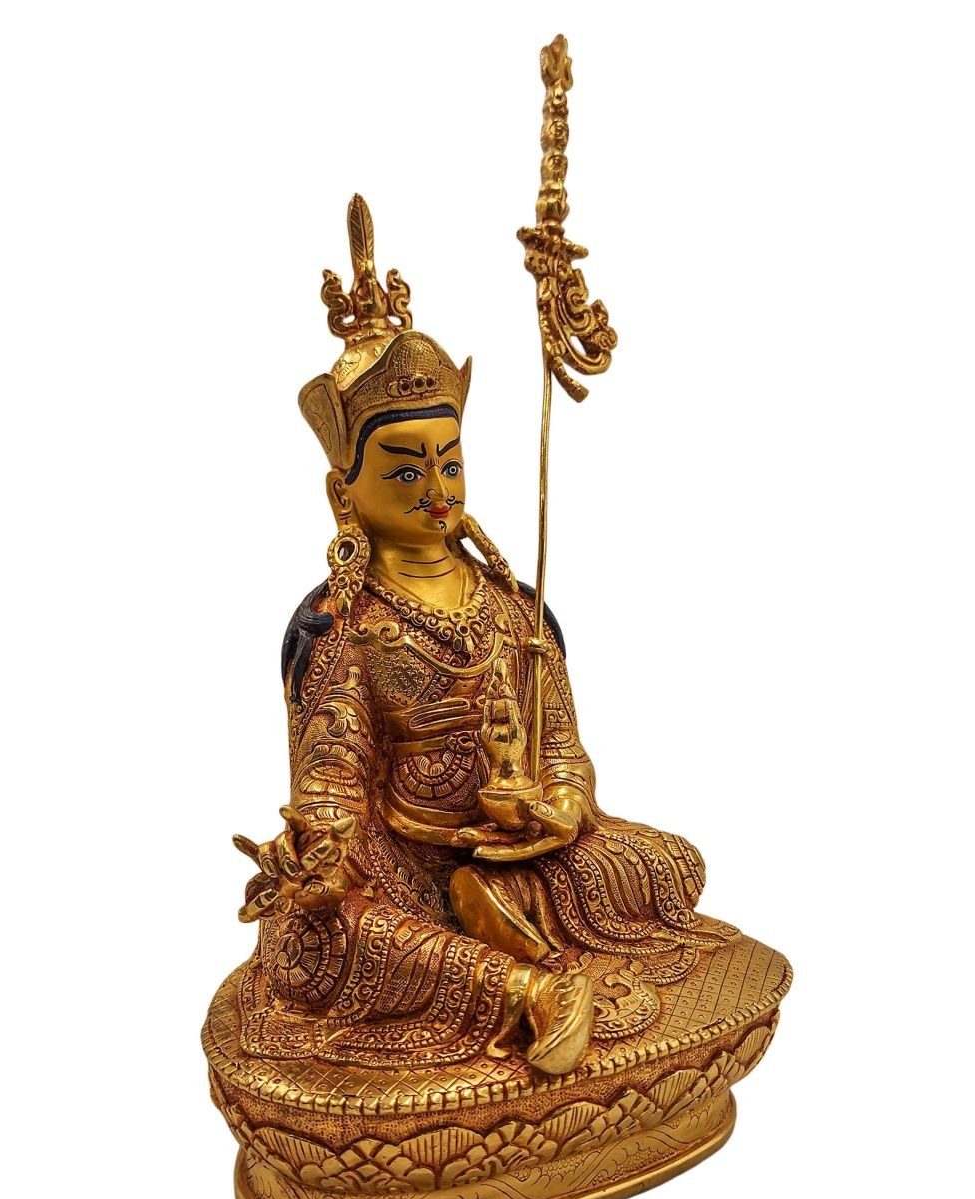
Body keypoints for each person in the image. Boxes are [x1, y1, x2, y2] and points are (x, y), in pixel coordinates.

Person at [233, 196, 735, 1077]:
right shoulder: (346, 628)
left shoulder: (513, 607)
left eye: (450, 462)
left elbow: (565, 751)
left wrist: (557, 805)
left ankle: (506, 920)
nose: (437, 489)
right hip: (401, 872)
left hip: (520, 863)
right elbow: (331, 793)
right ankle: (526, 989)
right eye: (405, 471)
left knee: (670, 865)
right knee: (309, 941)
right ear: (345, 494)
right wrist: (320, 857)